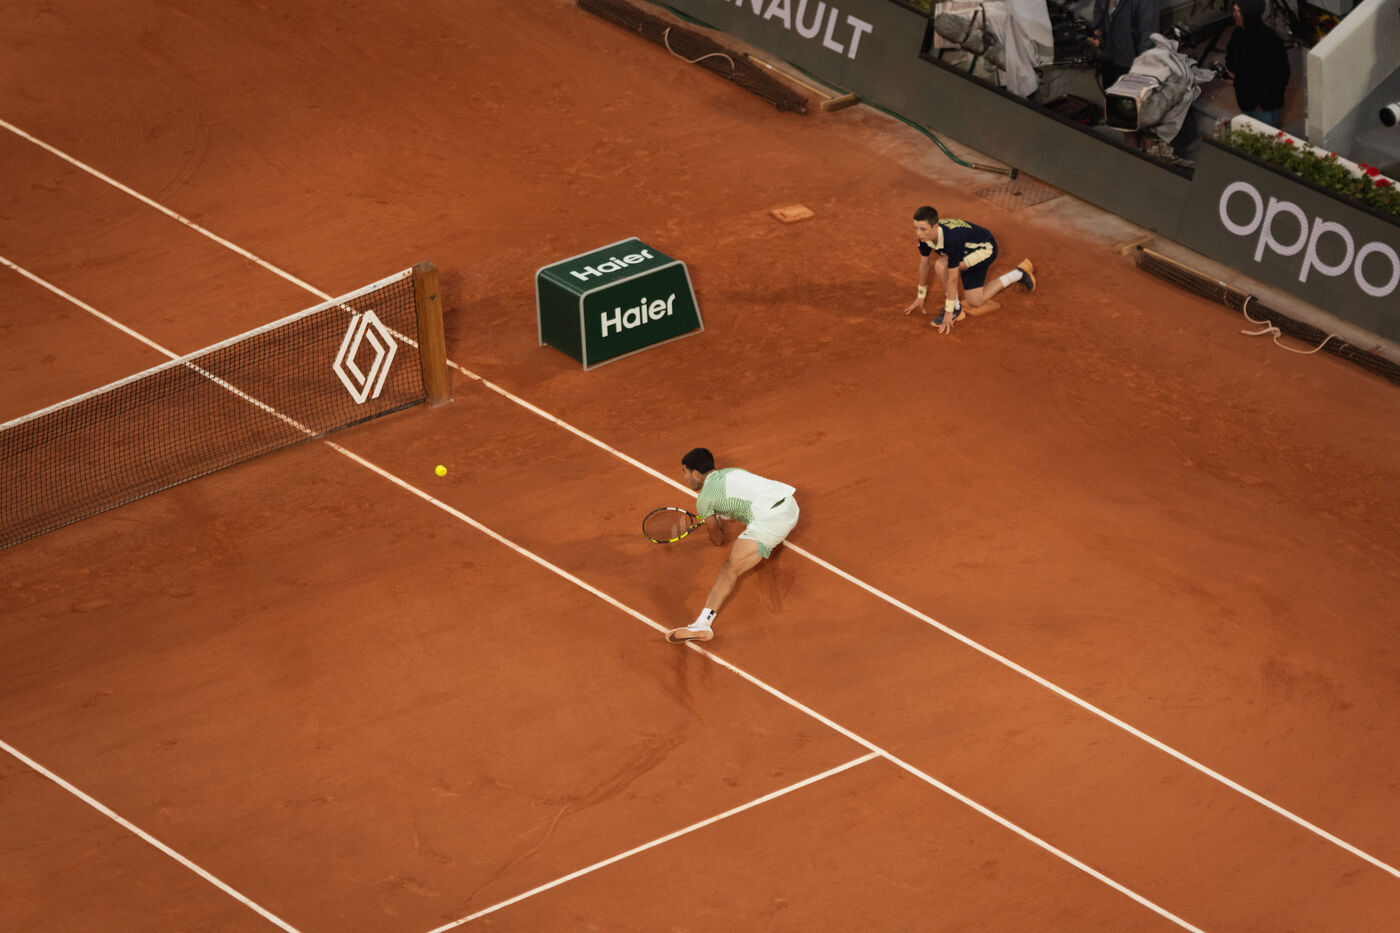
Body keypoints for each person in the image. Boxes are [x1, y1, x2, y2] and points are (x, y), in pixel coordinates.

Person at [665, 448, 799, 644]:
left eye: (685, 472)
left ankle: (702, 623)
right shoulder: (733, 471)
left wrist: (712, 521)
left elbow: (718, 539)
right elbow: (741, 501)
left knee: (730, 569)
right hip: (791, 506)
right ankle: (765, 543)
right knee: (753, 535)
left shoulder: (704, 500)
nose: (685, 477)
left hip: (772, 522)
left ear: (696, 473)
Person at [901, 205, 1035, 333]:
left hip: (984, 249)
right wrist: (921, 296)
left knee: (941, 265)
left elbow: (953, 277)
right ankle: (1019, 273)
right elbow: (924, 264)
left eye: (922, 229)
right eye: (915, 228)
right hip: (964, 251)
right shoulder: (925, 237)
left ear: (935, 226)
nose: (918, 233)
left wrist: (950, 309)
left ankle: (956, 308)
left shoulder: (952, 239)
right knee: (975, 302)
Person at [1224, 0, 1290, 129]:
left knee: (1265, 138)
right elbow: (1231, 57)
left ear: (1250, 14)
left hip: (1264, 108)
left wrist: (1266, 103)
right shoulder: (1237, 34)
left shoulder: (1270, 40)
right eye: (1234, 11)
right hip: (1245, 102)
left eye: (1239, 12)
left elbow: (1281, 76)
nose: (1235, 15)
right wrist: (1232, 73)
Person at [1089, 0, 1161, 93]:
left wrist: (1141, 72)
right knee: (1111, 98)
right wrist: (1097, 33)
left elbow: (1149, 38)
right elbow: (1099, 16)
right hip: (1109, 60)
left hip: (1131, 66)